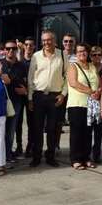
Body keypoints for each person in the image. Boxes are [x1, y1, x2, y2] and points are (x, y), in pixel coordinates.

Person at [28, 30, 67, 167]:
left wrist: (63, 94)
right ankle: (36, 157)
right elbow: (31, 78)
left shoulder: (62, 55)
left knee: (52, 129)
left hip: (55, 97)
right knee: (37, 128)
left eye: (49, 40)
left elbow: (67, 77)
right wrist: (30, 98)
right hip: (38, 96)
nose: (46, 43)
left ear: (54, 40)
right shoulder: (36, 56)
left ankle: (50, 156)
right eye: (44, 40)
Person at [66, 43, 100, 170]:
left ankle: (86, 158)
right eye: (79, 51)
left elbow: (97, 81)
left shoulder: (92, 66)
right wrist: (91, 91)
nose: (82, 53)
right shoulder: (72, 66)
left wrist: (98, 91)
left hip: (91, 104)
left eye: (84, 51)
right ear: (76, 53)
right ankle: (76, 159)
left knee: (87, 133)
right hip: (76, 104)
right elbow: (73, 83)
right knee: (76, 133)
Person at [2, 39, 27, 164]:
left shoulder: (22, 65)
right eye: (8, 48)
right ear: (4, 50)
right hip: (0, 101)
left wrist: (25, 90)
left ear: (17, 50)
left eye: (13, 48)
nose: (11, 51)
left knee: (11, 130)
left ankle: (7, 154)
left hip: (16, 102)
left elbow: (25, 82)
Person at [89, 46, 102, 166]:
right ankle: (86, 154)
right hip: (89, 102)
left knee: (98, 131)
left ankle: (96, 155)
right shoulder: (87, 66)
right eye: (94, 55)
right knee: (87, 131)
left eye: (99, 55)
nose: (96, 57)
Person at [18, 37, 36, 157]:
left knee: (31, 123)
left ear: (34, 47)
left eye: (31, 45)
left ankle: (30, 146)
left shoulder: (37, 60)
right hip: (19, 96)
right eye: (27, 44)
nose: (29, 47)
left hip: (32, 96)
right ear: (24, 46)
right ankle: (19, 146)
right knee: (18, 123)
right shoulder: (19, 61)